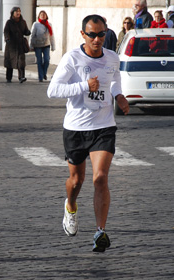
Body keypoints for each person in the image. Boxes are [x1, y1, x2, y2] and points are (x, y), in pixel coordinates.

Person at [46, 14, 130, 253]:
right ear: (83, 34)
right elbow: (53, 90)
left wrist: (119, 96)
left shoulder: (113, 58)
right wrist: (84, 86)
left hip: (103, 125)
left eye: (101, 34)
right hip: (76, 128)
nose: (97, 39)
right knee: (76, 181)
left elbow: (114, 81)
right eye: (92, 34)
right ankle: (70, 206)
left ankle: (100, 232)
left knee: (100, 177)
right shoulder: (72, 59)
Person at [3, 6, 30, 83]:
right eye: (16, 11)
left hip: (20, 45)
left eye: (19, 11)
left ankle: (21, 77)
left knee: (21, 62)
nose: (18, 13)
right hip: (11, 45)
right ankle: (9, 77)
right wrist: (7, 38)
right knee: (10, 62)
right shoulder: (9, 22)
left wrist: (27, 32)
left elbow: (25, 30)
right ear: (13, 13)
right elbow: (6, 31)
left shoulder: (23, 22)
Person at [30, 10, 55, 82]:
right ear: (39, 16)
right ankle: (40, 77)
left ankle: (44, 73)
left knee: (47, 60)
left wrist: (53, 46)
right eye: (41, 15)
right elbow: (32, 35)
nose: (43, 16)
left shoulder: (49, 25)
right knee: (39, 61)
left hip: (46, 45)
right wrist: (31, 45)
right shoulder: (36, 24)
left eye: (44, 14)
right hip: (38, 45)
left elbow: (52, 36)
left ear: (46, 16)